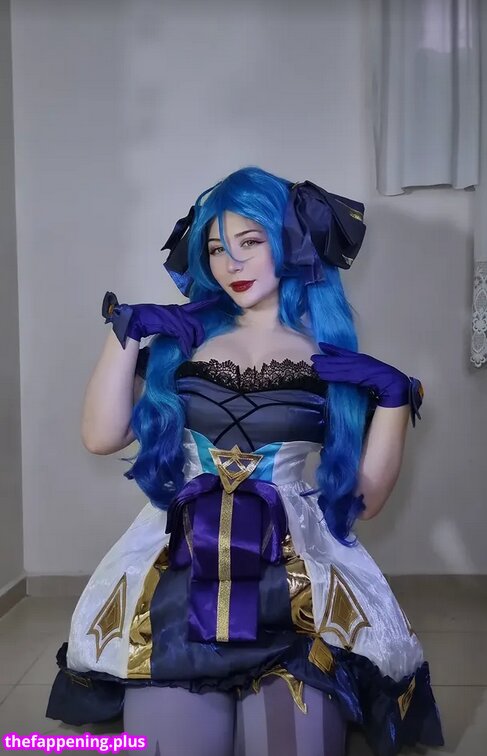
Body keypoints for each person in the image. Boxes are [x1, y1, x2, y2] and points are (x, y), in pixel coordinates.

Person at [46, 166, 443, 756]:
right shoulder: (179, 344)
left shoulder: (329, 356)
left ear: (290, 243)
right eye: (216, 249)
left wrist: (392, 400)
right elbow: (101, 437)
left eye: (250, 242)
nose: (231, 263)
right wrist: (124, 332)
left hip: (295, 580)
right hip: (176, 574)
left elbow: (365, 501)